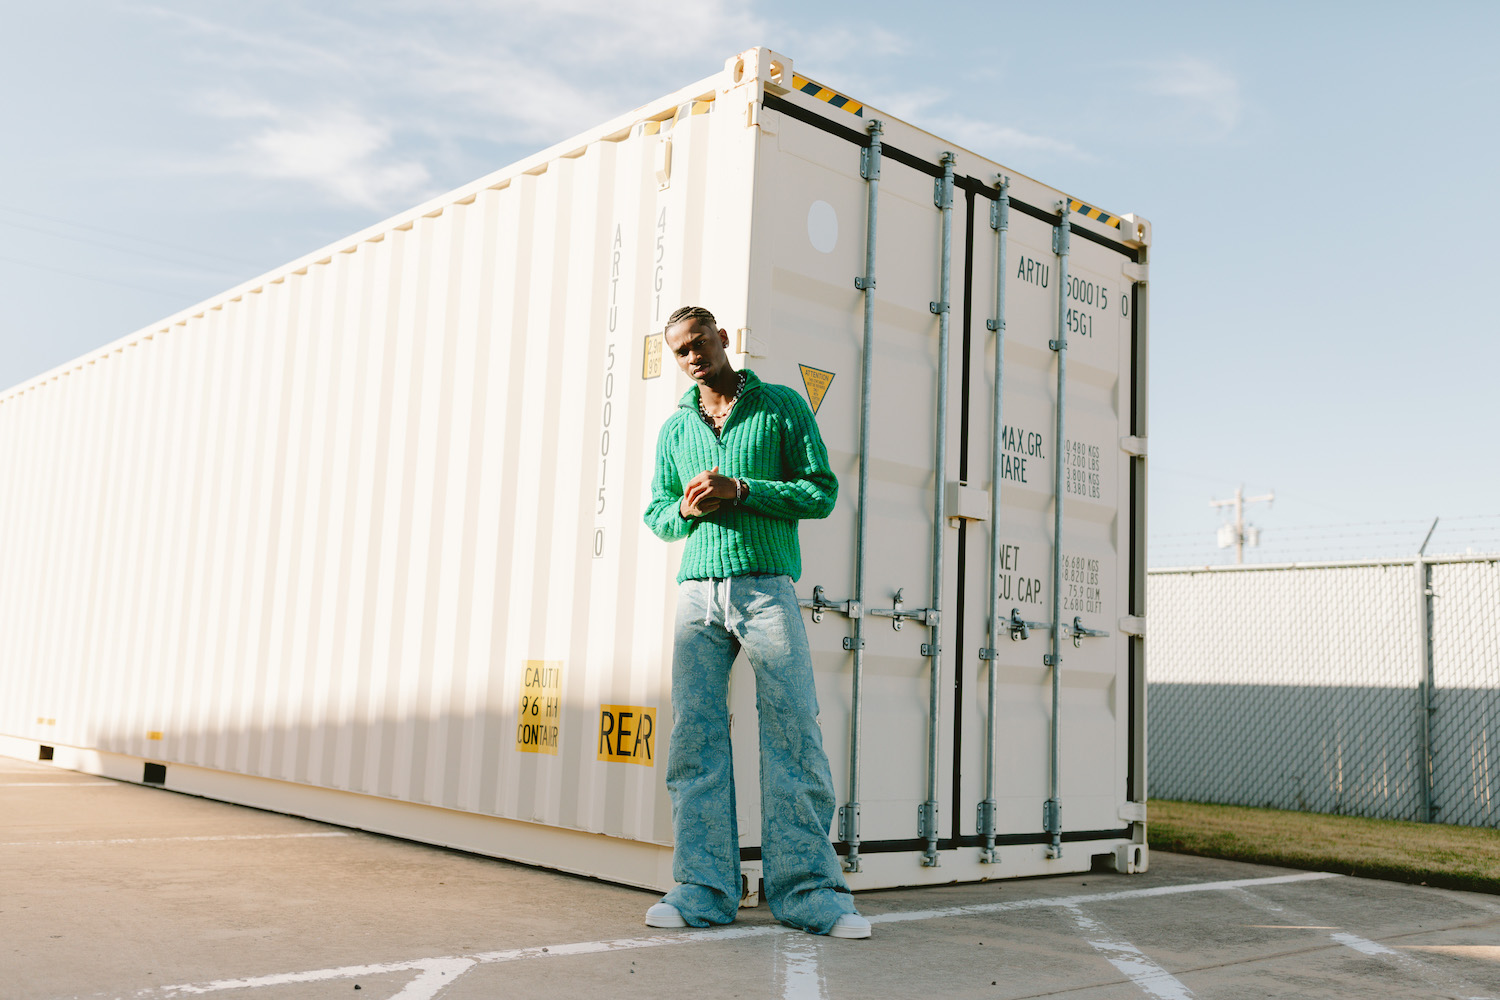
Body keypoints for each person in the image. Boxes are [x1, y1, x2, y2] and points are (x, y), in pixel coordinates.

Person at [641, 306, 870, 939]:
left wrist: (742, 489)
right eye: (680, 350)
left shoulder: (780, 408)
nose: (692, 356)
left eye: (699, 343)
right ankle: (702, 890)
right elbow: (656, 514)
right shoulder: (675, 428)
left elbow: (820, 491)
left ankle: (809, 894)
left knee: (793, 732)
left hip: (766, 589)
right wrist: (686, 511)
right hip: (697, 596)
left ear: (723, 338)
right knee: (696, 740)